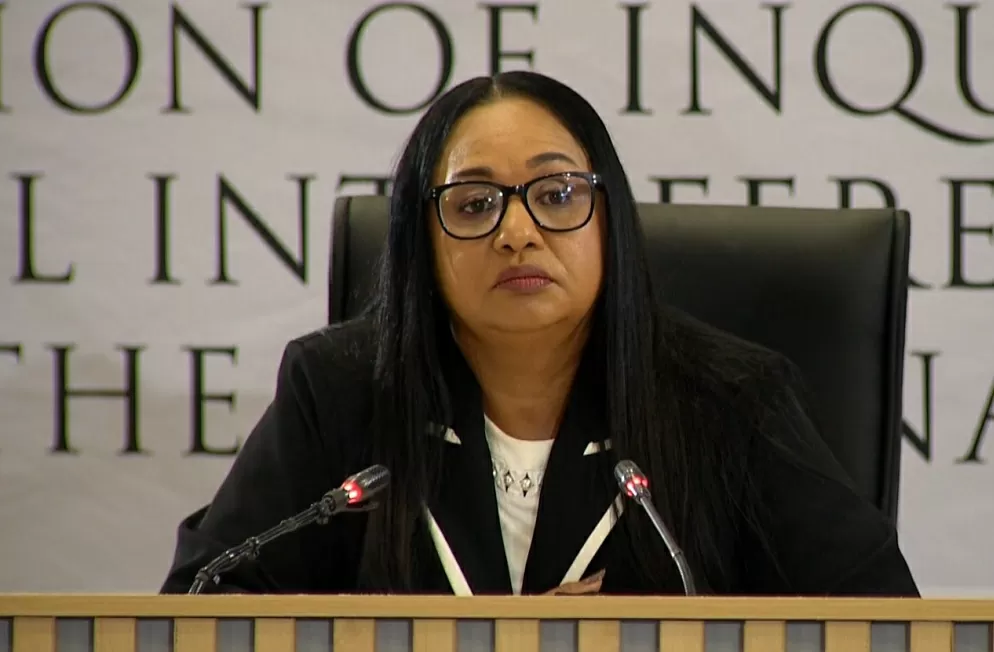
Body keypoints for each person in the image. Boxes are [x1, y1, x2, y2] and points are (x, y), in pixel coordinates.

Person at [160, 71, 919, 597]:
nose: (517, 232)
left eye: (556, 194)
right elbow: (205, 602)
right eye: (473, 204)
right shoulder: (337, 393)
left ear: (610, 217)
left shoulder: (730, 400)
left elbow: (879, 621)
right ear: (421, 241)